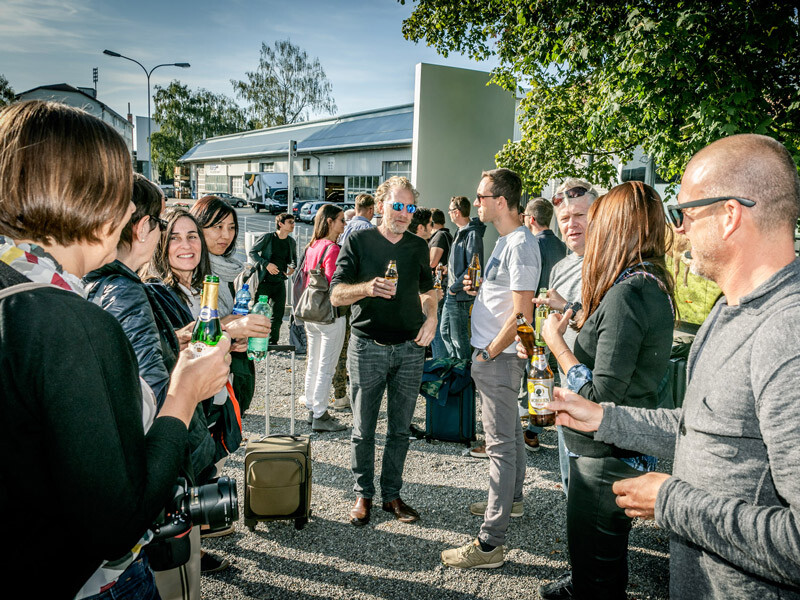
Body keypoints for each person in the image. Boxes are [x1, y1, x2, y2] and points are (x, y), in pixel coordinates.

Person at [548, 134, 800, 600]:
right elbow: (701, 427)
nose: (676, 229)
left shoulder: (787, 334)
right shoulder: (729, 309)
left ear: (730, 215)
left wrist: (671, 501)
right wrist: (606, 418)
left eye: (682, 212)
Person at [0, 100, 230, 598]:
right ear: (85, 198)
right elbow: (116, 523)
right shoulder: (68, 322)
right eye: (120, 192)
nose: (131, 210)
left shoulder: (16, 294)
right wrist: (185, 392)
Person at [531, 181, 675, 600]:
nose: (588, 227)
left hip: (604, 458)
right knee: (598, 561)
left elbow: (599, 398)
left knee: (600, 576)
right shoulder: (649, 280)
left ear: (618, 225)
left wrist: (556, 345)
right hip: (617, 448)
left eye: (597, 219)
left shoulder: (629, 291)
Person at [440, 168, 540, 569]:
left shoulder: (520, 244)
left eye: (481, 197)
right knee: (510, 434)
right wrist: (478, 292)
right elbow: (505, 298)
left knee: (498, 446)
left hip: (497, 358)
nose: (475, 202)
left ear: (501, 201)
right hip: (495, 357)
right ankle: (512, 502)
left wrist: (487, 353)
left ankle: (489, 543)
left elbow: (522, 314)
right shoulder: (506, 241)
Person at [330, 176, 437, 527]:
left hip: (409, 349)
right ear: (380, 206)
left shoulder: (417, 247)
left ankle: (392, 495)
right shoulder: (359, 240)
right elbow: (336, 294)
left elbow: (427, 291)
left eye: (410, 207)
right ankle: (363, 494)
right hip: (367, 347)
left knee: (400, 429)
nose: (405, 213)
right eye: (398, 205)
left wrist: (431, 317)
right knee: (363, 428)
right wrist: (367, 287)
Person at [530, 179, 598, 488]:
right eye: (565, 219)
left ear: (597, 215)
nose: (571, 224)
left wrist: (568, 306)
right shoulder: (560, 268)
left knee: (596, 481)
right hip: (565, 384)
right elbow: (555, 322)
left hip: (599, 389)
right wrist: (535, 343)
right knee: (570, 476)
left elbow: (612, 327)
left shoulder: (610, 264)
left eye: (580, 216)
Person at [192, 195, 269, 413]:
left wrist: (237, 336)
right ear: (197, 227)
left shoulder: (226, 270)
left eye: (231, 227)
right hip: (197, 389)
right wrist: (225, 326)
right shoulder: (189, 268)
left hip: (224, 379)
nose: (226, 235)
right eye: (217, 227)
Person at [300, 203, 348, 432]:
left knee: (313, 363)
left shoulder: (312, 246)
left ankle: (312, 407)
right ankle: (320, 414)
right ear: (330, 221)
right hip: (330, 314)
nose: (344, 224)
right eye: (341, 220)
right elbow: (334, 284)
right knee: (326, 365)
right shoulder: (333, 249)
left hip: (311, 312)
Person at [440, 195, 485, 360]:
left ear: (457, 212)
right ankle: (456, 368)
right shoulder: (460, 232)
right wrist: (447, 269)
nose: (449, 214)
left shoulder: (472, 234)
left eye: (450, 210)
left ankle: (465, 375)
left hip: (460, 295)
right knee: (445, 332)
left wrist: (453, 289)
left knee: (459, 338)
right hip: (452, 293)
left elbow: (473, 267)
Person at [249, 212, 297, 345]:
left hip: (279, 282)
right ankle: (254, 339)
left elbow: (293, 260)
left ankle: (272, 342)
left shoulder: (291, 242)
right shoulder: (268, 238)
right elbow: (252, 252)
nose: (293, 225)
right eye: (290, 222)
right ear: (281, 224)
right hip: (264, 282)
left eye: (293, 222)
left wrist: (292, 267)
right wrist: (266, 264)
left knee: (278, 314)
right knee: (259, 314)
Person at [428, 208, 453, 358]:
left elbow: (432, 262)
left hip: (439, 288)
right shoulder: (447, 234)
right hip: (444, 287)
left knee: (436, 330)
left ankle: (439, 365)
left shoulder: (439, 236)